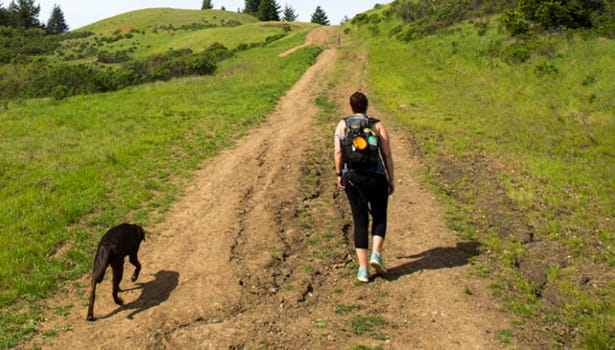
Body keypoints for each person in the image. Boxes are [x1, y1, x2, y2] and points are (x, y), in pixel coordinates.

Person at [334, 91, 395, 283]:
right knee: (379, 216)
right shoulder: (377, 125)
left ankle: (362, 270)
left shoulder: (343, 125)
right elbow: (387, 154)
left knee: (360, 222)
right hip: (376, 177)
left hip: (353, 178)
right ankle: (376, 254)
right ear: (366, 106)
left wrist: (339, 174)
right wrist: (391, 179)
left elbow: (337, 152)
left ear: (350, 107)